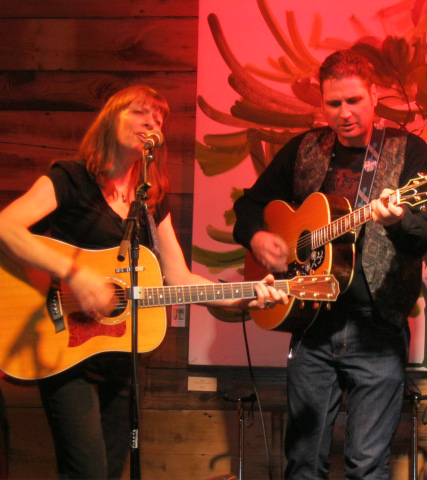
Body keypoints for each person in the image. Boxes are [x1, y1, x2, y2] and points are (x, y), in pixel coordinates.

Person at [0, 85, 288, 480]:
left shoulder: (150, 198)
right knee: (87, 472)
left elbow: (178, 277)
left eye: (158, 119)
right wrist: (74, 273)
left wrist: (242, 298)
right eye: (139, 112)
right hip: (63, 343)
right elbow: (6, 227)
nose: (151, 123)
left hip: (120, 355)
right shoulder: (70, 178)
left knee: (112, 470)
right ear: (110, 119)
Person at [232, 49, 427, 479]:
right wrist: (258, 238)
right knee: (303, 463)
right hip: (311, 324)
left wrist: (397, 220)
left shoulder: (407, 150)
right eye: (334, 103)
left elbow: (426, 234)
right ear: (322, 104)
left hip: (377, 328)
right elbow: (249, 206)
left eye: (354, 100)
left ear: (374, 96)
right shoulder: (304, 149)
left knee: (367, 467)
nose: (345, 113)